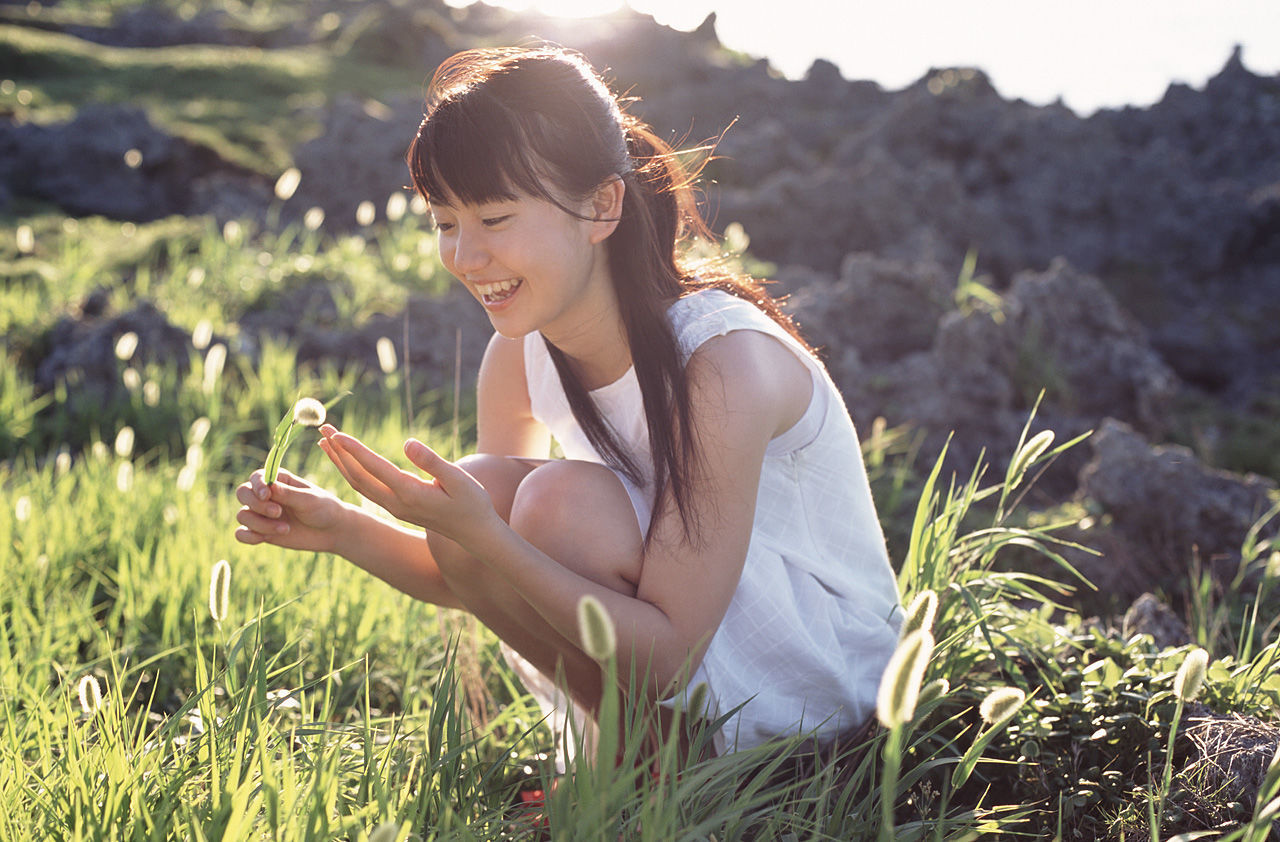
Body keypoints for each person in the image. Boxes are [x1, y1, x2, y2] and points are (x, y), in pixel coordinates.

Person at [235, 46, 902, 761]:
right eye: (444, 222)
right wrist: (345, 529)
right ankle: (641, 763)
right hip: (684, 658)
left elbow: (668, 651)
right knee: (489, 488)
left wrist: (487, 536)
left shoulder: (720, 364)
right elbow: (489, 576)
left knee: (552, 504)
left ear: (601, 205)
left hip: (820, 682)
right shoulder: (520, 354)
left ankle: (657, 766)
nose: (464, 256)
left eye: (494, 218)